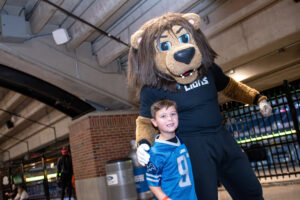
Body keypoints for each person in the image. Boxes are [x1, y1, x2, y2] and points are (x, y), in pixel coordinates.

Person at [145, 99, 197, 200]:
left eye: (173, 114)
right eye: (163, 116)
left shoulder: (182, 140)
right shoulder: (156, 152)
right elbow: (152, 183)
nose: (169, 118)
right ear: (154, 122)